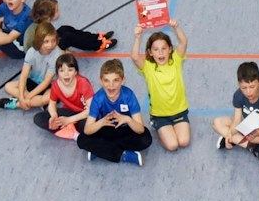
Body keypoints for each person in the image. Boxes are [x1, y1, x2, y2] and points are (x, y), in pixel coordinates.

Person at [135, 19, 193, 152]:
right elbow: (134, 57)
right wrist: (138, 37)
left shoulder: (176, 61)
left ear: (170, 50)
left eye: (164, 49)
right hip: (160, 115)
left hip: (179, 111)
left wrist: (176, 27)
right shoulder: (148, 67)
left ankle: (172, 128)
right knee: (172, 145)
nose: (160, 53)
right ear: (150, 52)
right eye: (156, 49)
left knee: (184, 142)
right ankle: (157, 126)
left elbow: (184, 42)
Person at [78, 60, 150, 166]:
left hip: (125, 129)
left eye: (116, 80)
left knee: (146, 138)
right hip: (106, 129)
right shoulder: (98, 98)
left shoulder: (129, 96)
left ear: (123, 80)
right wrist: (102, 122)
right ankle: (124, 155)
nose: (111, 85)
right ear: (101, 81)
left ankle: (100, 151)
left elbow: (140, 129)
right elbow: (88, 130)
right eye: (106, 80)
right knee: (81, 140)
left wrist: (127, 119)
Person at [213, 61, 259, 161]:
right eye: (244, 88)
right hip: (246, 123)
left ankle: (237, 140)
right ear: (239, 85)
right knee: (217, 123)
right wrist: (230, 133)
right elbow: (237, 120)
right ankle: (252, 146)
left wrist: (250, 134)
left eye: (252, 87)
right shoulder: (238, 95)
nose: (248, 92)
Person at [21, 52, 93, 136]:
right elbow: (52, 104)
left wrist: (69, 120)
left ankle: (71, 131)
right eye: (61, 71)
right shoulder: (56, 85)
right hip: (69, 112)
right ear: (57, 73)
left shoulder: (83, 83)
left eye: (70, 70)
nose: (66, 74)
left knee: (87, 126)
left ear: (76, 72)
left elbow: (92, 110)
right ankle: (73, 133)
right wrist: (54, 116)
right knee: (38, 118)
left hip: (84, 114)